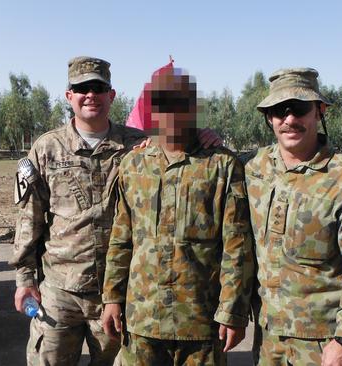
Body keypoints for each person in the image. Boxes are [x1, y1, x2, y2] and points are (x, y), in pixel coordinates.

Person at [101, 67, 254, 365]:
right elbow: (121, 239)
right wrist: (111, 297)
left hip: (200, 321)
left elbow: (236, 247)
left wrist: (232, 312)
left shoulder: (221, 166)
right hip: (142, 317)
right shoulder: (133, 165)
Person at [245, 68, 342, 366]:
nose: (289, 120)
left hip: (322, 342)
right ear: (268, 117)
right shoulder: (254, 168)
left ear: (318, 111)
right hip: (268, 339)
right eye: (278, 110)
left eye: (298, 108)